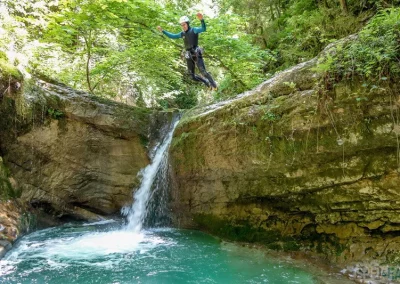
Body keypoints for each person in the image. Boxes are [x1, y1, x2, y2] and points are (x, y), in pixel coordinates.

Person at [157, 13, 217, 90]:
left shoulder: (194, 30)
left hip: (196, 52)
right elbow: (172, 36)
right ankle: (206, 82)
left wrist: (202, 20)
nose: (183, 26)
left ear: (188, 24)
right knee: (191, 76)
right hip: (188, 54)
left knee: (203, 71)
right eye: (181, 25)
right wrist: (163, 31)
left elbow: (203, 29)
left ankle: (214, 85)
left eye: (184, 24)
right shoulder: (182, 34)